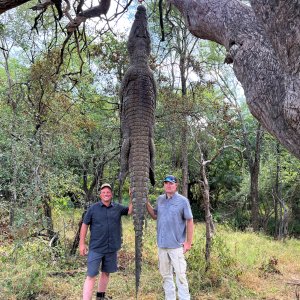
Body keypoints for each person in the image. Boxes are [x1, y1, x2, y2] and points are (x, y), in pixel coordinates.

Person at [79, 183, 132, 300]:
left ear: (111, 194)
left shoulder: (117, 207)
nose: (106, 194)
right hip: (96, 248)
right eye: (104, 192)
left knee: (106, 273)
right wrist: (82, 243)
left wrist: (132, 196)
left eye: (108, 192)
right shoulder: (93, 209)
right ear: (100, 195)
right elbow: (84, 225)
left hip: (111, 248)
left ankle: (100, 297)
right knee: (91, 275)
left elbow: (129, 211)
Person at [146, 175, 194, 300]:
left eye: (171, 183)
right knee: (166, 276)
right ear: (164, 185)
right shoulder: (160, 199)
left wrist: (188, 242)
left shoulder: (183, 201)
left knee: (181, 276)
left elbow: (189, 221)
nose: (168, 185)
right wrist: (146, 202)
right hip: (162, 246)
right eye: (166, 183)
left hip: (176, 246)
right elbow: (155, 215)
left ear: (176, 185)